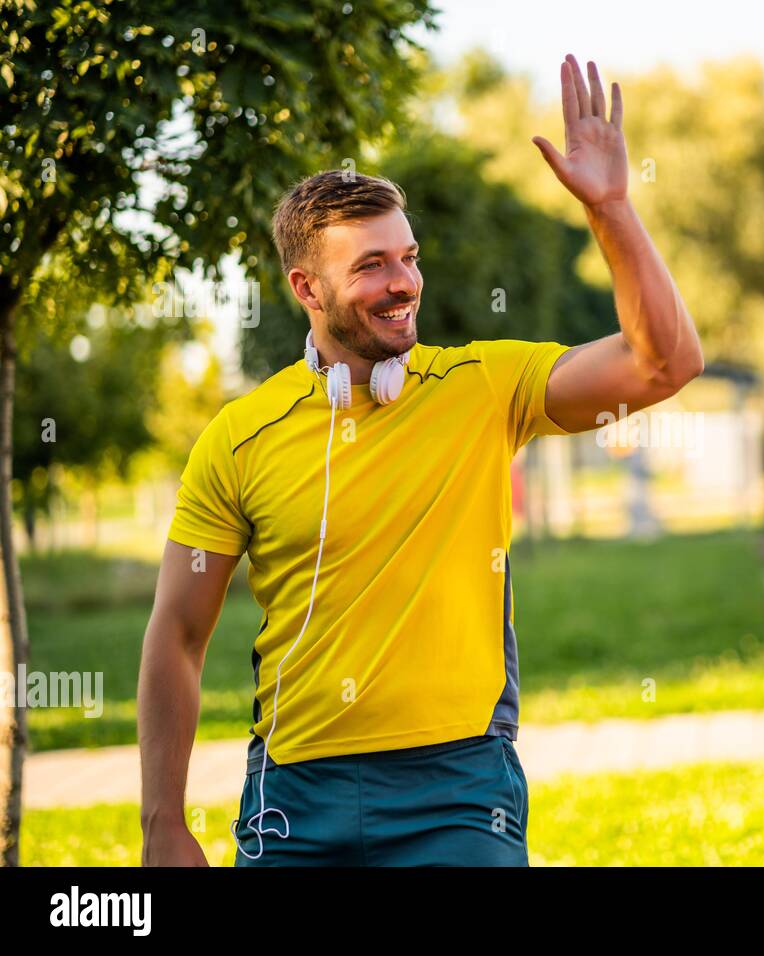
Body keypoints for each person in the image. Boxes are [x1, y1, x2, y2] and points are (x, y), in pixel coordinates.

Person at [138, 54, 703, 866]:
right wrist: (163, 822)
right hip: (294, 796)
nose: (403, 282)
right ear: (306, 286)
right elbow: (177, 635)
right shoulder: (239, 436)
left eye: (408, 257)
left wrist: (611, 207)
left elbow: (665, 364)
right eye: (371, 265)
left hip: (460, 790)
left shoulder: (485, 386)